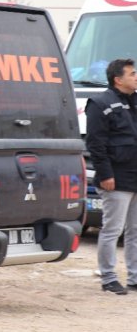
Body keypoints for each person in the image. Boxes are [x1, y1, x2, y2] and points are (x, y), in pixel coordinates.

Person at [85, 58, 137, 295]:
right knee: (112, 229)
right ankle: (108, 277)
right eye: (132, 74)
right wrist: (105, 174)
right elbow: (96, 144)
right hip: (116, 177)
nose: (136, 77)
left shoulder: (134, 101)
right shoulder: (99, 103)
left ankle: (135, 277)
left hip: (135, 175)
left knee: (135, 231)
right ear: (118, 79)